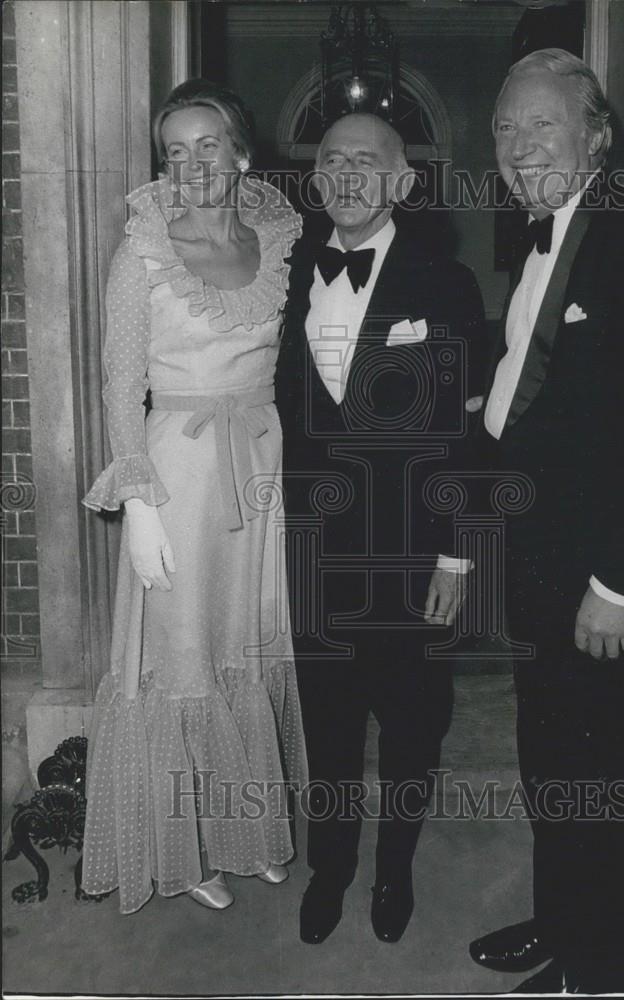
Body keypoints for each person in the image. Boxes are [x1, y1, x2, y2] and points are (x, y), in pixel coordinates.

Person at [466, 50, 624, 992]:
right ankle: (562, 923)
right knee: (552, 762)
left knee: (607, 782)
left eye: (542, 124)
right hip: (543, 570)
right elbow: (520, 402)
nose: (518, 144)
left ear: (595, 135)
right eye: (504, 126)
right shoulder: (542, 237)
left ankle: (598, 971)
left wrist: (621, 584)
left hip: (609, 582)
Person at [80, 79, 308, 914]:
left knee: (241, 644)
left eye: (207, 143)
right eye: (174, 150)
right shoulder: (144, 249)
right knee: (180, 656)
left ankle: (244, 833)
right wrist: (138, 501)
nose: (192, 163)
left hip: (258, 467)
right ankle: (185, 852)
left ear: (241, 152)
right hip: (177, 475)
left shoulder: (279, 239)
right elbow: (118, 382)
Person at [275, 113, 485, 944]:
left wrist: (457, 556)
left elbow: (466, 437)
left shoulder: (447, 283)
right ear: (316, 179)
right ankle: (332, 868)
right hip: (311, 550)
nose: (349, 175)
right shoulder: (284, 273)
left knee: (411, 725)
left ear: (402, 182)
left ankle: (394, 872)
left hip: (411, 552)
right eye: (333, 160)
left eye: (369, 161)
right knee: (326, 724)